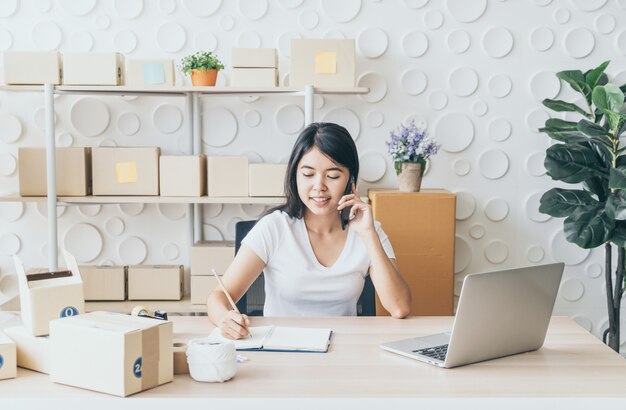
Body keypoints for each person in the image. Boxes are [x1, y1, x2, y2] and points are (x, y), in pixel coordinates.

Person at [207, 122, 412, 339]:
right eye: (308, 174)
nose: (319, 186)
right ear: (295, 176)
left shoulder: (369, 230)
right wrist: (224, 318)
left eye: (332, 176)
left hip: (344, 350)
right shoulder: (274, 228)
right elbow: (218, 296)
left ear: (350, 180)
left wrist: (368, 235)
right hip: (282, 349)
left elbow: (400, 307)